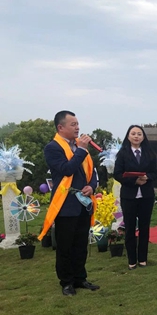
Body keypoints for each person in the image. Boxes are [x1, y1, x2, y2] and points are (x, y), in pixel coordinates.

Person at [39, 110, 100, 296]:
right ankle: (66, 282)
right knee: (65, 246)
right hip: (65, 204)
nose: (77, 128)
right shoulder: (53, 148)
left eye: (78, 124)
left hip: (83, 203)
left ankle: (80, 278)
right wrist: (80, 150)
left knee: (81, 245)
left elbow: (92, 173)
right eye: (73, 124)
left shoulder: (80, 146)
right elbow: (67, 169)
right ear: (60, 127)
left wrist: (91, 186)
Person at [113, 125, 157, 270]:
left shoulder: (150, 154)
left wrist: (147, 177)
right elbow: (117, 174)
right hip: (129, 196)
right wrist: (134, 181)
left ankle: (143, 258)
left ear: (143, 137)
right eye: (133, 134)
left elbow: (155, 173)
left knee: (144, 227)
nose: (136, 136)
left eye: (139, 134)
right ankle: (132, 260)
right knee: (130, 228)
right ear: (128, 136)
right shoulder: (122, 154)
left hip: (146, 196)